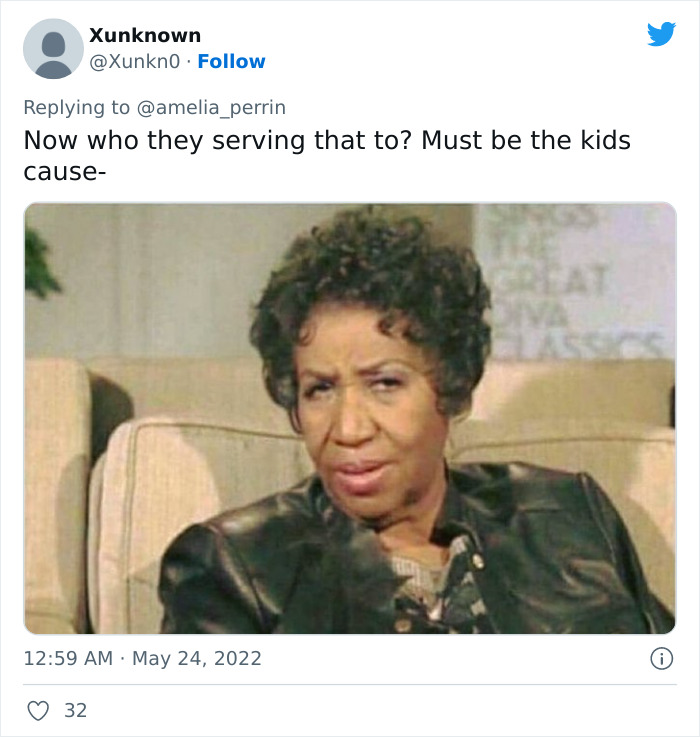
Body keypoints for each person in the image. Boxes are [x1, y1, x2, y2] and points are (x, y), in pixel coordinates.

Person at [159, 208, 673, 634]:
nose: (349, 429)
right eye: (320, 390)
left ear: (451, 387)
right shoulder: (229, 569)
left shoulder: (568, 514)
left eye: (385, 383)